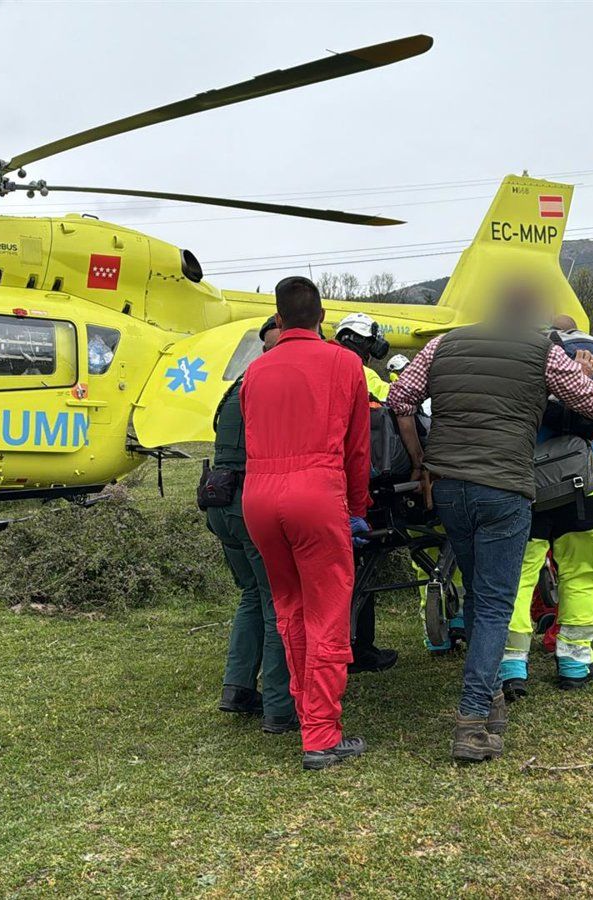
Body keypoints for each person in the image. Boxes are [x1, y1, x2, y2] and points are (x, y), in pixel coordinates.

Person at [388, 285, 593, 764]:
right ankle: (470, 724)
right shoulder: (543, 350)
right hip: (504, 488)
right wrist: (589, 377)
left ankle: (491, 702)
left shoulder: (444, 344)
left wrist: (420, 462)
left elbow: (400, 398)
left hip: (447, 487)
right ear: (532, 316)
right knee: (493, 605)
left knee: (477, 594)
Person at [241, 277, 372, 771]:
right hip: (315, 495)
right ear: (322, 318)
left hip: (258, 496)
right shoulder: (344, 363)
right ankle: (320, 734)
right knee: (327, 615)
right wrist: (356, 509)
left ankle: (305, 713)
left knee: (289, 609)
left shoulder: (255, 372)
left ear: (278, 320)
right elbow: (357, 450)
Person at [499, 314, 593, 698]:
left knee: (518, 577)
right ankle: (575, 661)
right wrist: (578, 382)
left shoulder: (515, 360)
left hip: (525, 485)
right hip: (578, 486)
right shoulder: (588, 356)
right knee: (581, 574)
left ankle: (512, 664)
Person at [209, 318, 299, 734]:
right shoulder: (273, 385)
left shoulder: (238, 384)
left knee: (252, 594)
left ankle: (238, 687)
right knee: (277, 602)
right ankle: (280, 709)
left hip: (219, 500)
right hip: (249, 502)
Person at [333, 312, 400, 674]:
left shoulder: (323, 364)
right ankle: (360, 648)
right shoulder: (364, 374)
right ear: (367, 344)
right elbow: (397, 406)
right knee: (361, 569)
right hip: (361, 487)